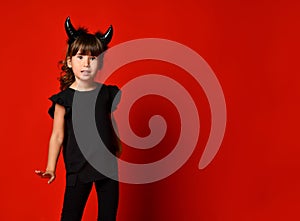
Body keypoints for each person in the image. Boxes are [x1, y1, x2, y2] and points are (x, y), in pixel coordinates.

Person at [35, 17, 121, 221]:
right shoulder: (64, 99)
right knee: (71, 216)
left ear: (99, 63)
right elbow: (57, 135)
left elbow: (109, 120)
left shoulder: (106, 93)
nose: (86, 63)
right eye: (81, 57)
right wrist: (50, 167)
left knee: (108, 216)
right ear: (69, 61)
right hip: (78, 167)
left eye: (93, 58)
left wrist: (117, 145)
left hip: (107, 166)